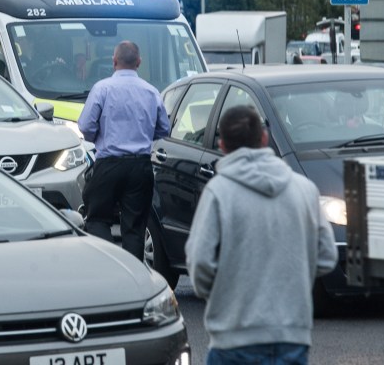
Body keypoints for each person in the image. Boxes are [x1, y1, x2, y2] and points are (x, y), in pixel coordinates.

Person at [185, 105, 337, 365]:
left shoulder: (219, 192)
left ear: (222, 145)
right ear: (264, 138)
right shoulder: (304, 188)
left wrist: (220, 294)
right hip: (292, 336)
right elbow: (326, 257)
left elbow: (200, 263)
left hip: (233, 337)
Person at [77, 40, 169, 260]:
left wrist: (99, 137)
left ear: (114, 61)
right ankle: (133, 275)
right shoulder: (151, 92)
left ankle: (110, 263)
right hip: (140, 167)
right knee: (135, 227)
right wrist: (142, 135)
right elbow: (164, 129)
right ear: (139, 62)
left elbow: (85, 126)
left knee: (97, 219)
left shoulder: (102, 88)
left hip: (108, 164)